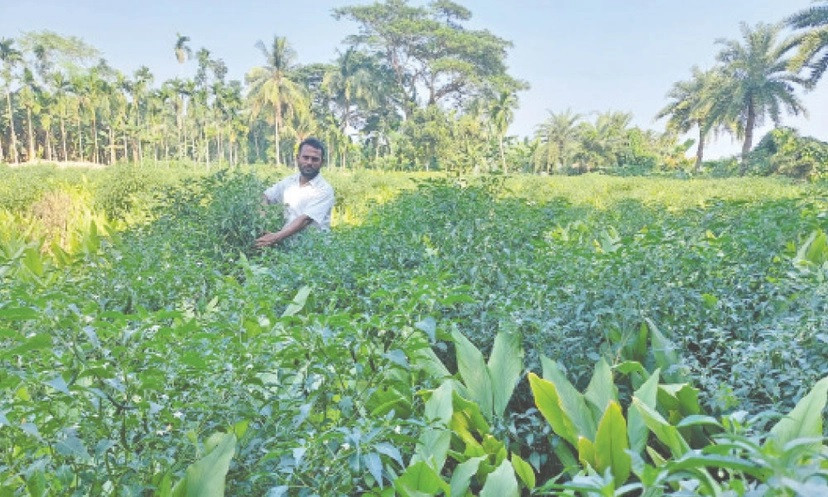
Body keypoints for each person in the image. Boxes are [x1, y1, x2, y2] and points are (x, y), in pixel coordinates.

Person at [254, 137, 334, 248]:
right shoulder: (289, 182)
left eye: (315, 159)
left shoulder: (324, 189)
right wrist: (263, 223)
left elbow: (305, 220)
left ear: (322, 162)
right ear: (297, 158)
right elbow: (264, 196)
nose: (309, 162)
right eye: (305, 157)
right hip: (286, 246)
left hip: (313, 250)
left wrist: (275, 237)